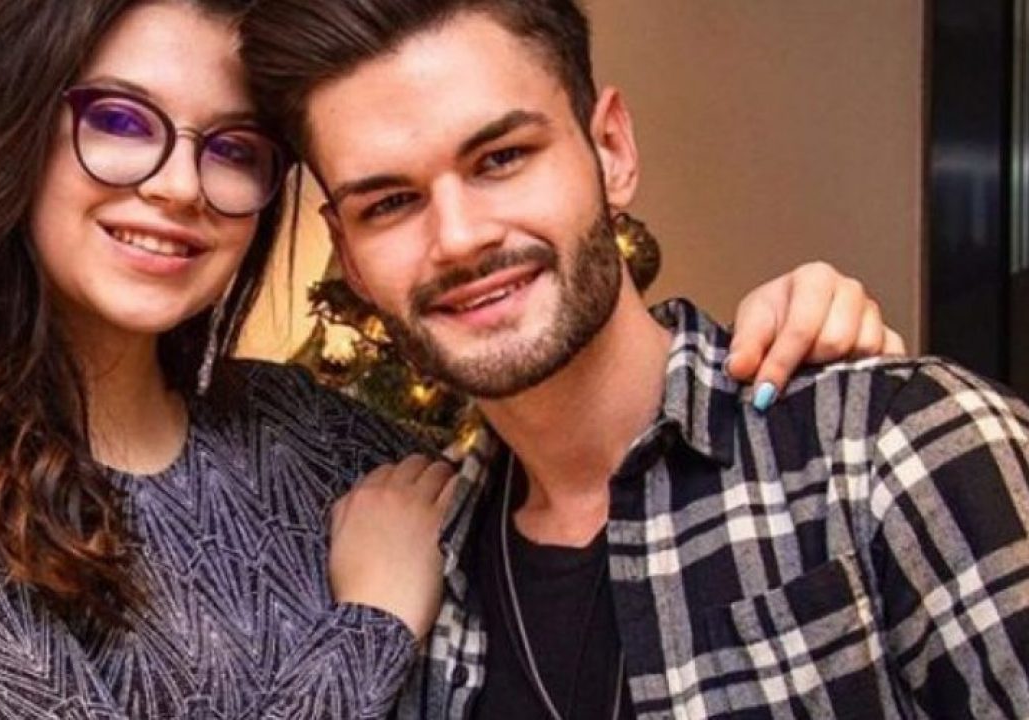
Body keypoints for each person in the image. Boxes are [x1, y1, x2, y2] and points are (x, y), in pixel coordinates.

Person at [0, 0, 901, 717]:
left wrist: (765, 354)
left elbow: (566, 462)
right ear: (23, 137)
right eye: (118, 121)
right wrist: (374, 623)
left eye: (233, 149)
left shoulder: (319, 435)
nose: (177, 186)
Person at [239, 0, 1029, 718]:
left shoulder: (891, 450)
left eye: (502, 158)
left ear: (611, 150)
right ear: (348, 254)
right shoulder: (421, 573)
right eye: (389, 204)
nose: (459, 238)